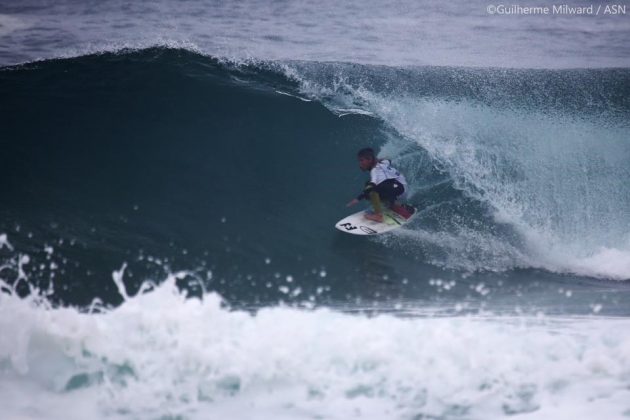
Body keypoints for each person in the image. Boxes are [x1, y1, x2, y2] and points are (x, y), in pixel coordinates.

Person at [346, 148, 414, 222]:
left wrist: (358, 198)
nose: (360, 163)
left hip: (399, 190)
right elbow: (388, 160)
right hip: (402, 187)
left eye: (362, 160)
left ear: (369, 160)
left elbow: (371, 186)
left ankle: (379, 215)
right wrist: (378, 159)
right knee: (380, 187)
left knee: (372, 191)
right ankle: (398, 205)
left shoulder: (375, 171)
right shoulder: (383, 163)